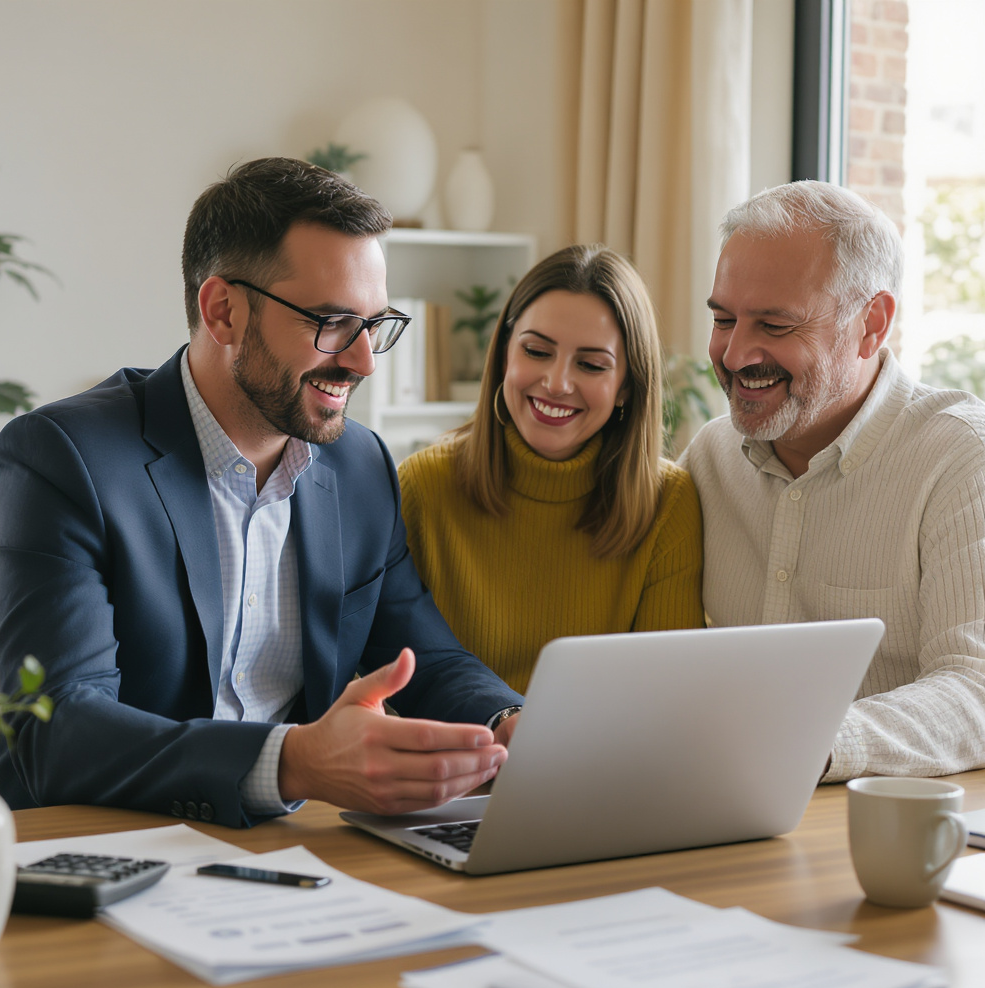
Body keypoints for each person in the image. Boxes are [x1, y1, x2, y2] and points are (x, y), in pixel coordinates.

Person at [0, 158, 525, 827]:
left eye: (374, 324)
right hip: (82, 852)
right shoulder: (65, 459)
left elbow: (423, 655)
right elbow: (57, 726)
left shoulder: (360, 467)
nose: (363, 361)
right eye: (330, 322)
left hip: (279, 848)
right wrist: (290, 762)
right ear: (223, 310)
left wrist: (508, 721)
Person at [681, 179, 985, 782]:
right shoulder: (709, 458)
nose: (736, 354)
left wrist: (808, 742)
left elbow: (975, 690)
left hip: (884, 820)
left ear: (872, 323)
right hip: (721, 804)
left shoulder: (960, 457)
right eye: (723, 318)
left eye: (775, 325)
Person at [397, 244, 705, 694]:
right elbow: (381, 680)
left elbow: (664, 700)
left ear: (625, 387)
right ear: (505, 354)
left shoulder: (668, 503)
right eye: (537, 352)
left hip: (604, 764)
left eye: (591, 364)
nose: (557, 383)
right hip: (448, 761)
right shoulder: (423, 486)